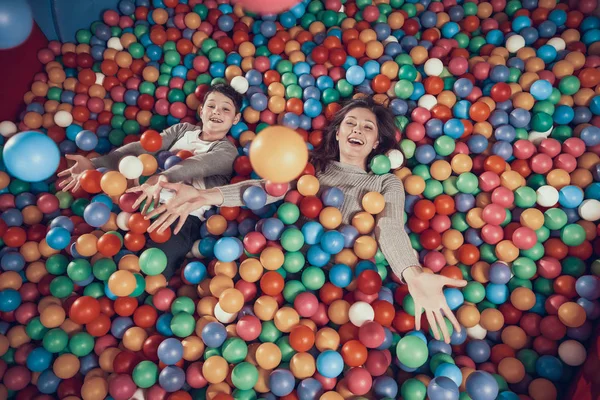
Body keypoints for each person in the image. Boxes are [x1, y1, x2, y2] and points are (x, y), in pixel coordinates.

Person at [145, 96, 467, 343]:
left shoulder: (385, 183)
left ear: (377, 143)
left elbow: (390, 227)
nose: (357, 130)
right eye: (351, 123)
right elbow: (266, 189)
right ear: (338, 133)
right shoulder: (312, 164)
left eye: (367, 127)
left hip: (344, 287)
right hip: (280, 267)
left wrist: (412, 274)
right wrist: (205, 197)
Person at [58, 83, 244, 279]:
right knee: (101, 247)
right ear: (201, 110)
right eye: (211, 106)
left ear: (236, 118)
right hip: (141, 198)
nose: (217, 112)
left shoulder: (227, 151)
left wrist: (162, 178)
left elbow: (196, 165)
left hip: (179, 214)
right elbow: (142, 148)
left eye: (226, 109)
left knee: (156, 269)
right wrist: (94, 164)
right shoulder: (183, 130)